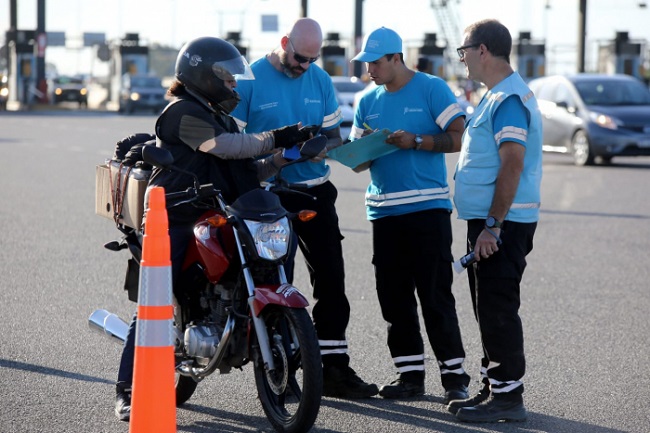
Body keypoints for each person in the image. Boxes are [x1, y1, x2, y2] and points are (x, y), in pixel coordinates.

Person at [114, 36, 313, 421]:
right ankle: (127, 388)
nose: (234, 86)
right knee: (156, 298)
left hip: (218, 212)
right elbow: (223, 147)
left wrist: (287, 156)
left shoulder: (220, 116)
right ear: (204, 76)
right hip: (173, 216)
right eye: (228, 79)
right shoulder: (180, 113)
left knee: (261, 265)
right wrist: (276, 136)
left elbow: (246, 169)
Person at [231, 17, 378, 399]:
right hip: (268, 194)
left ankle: (334, 370)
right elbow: (234, 143)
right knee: (277, 282)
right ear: (284, 42)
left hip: (315, 191)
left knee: (332, 280)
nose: (304, 66)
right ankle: (281, 372)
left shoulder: (321, 80)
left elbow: (333, 136)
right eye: (299, 57)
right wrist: (283, 153)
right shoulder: (250, 79)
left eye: (312, 59)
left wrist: (321, 145)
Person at [349, 27, 471, 403]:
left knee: (435, 295)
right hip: (383, 212)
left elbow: (459, 136)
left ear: (395, 58)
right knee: (393, 298)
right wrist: (366, 148)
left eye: (374, 62)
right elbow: (357, 162)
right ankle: (410, 377)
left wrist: (416, 141)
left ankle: (455, 379)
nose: (368, 69)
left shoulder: (432, 88)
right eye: (366, 63)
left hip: (427, 210)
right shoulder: (366, 100)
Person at [447, 19, 542, 423]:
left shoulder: (508, 100)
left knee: (498, 306)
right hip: (490, 222)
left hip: (502, 224)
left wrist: (493, 225)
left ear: (482, 49)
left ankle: (507, 398)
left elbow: (513, 163)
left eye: (463, 50)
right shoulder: (495, 96)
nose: (462, 58)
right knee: (487, 306)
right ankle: (493, 388)